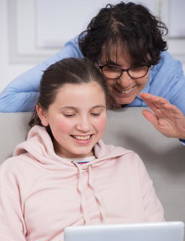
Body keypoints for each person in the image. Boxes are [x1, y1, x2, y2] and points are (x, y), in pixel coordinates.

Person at [0, 58, 184, 241]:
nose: (85, 126)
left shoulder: (128, 164)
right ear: (43, 114)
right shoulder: (16, 172)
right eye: (69, 114)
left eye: (96, 113)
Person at [1, 1, 185, 141]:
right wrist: (83, 98)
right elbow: (7, 101)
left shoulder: (167, 72)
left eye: (138, 67)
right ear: (91, 58)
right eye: (112, 68)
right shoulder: (75, 56)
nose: (125, 83)